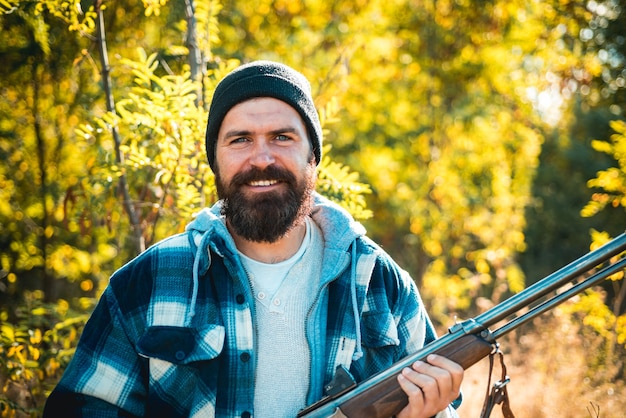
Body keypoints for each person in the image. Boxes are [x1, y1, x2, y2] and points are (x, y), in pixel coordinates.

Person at [43, 60, 464, 418]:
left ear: (312, 156)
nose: (262, 159)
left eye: (282, 137)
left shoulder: (378, 281)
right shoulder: (150, 281)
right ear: (216, 160)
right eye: (241, 140)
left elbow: (444, 409)